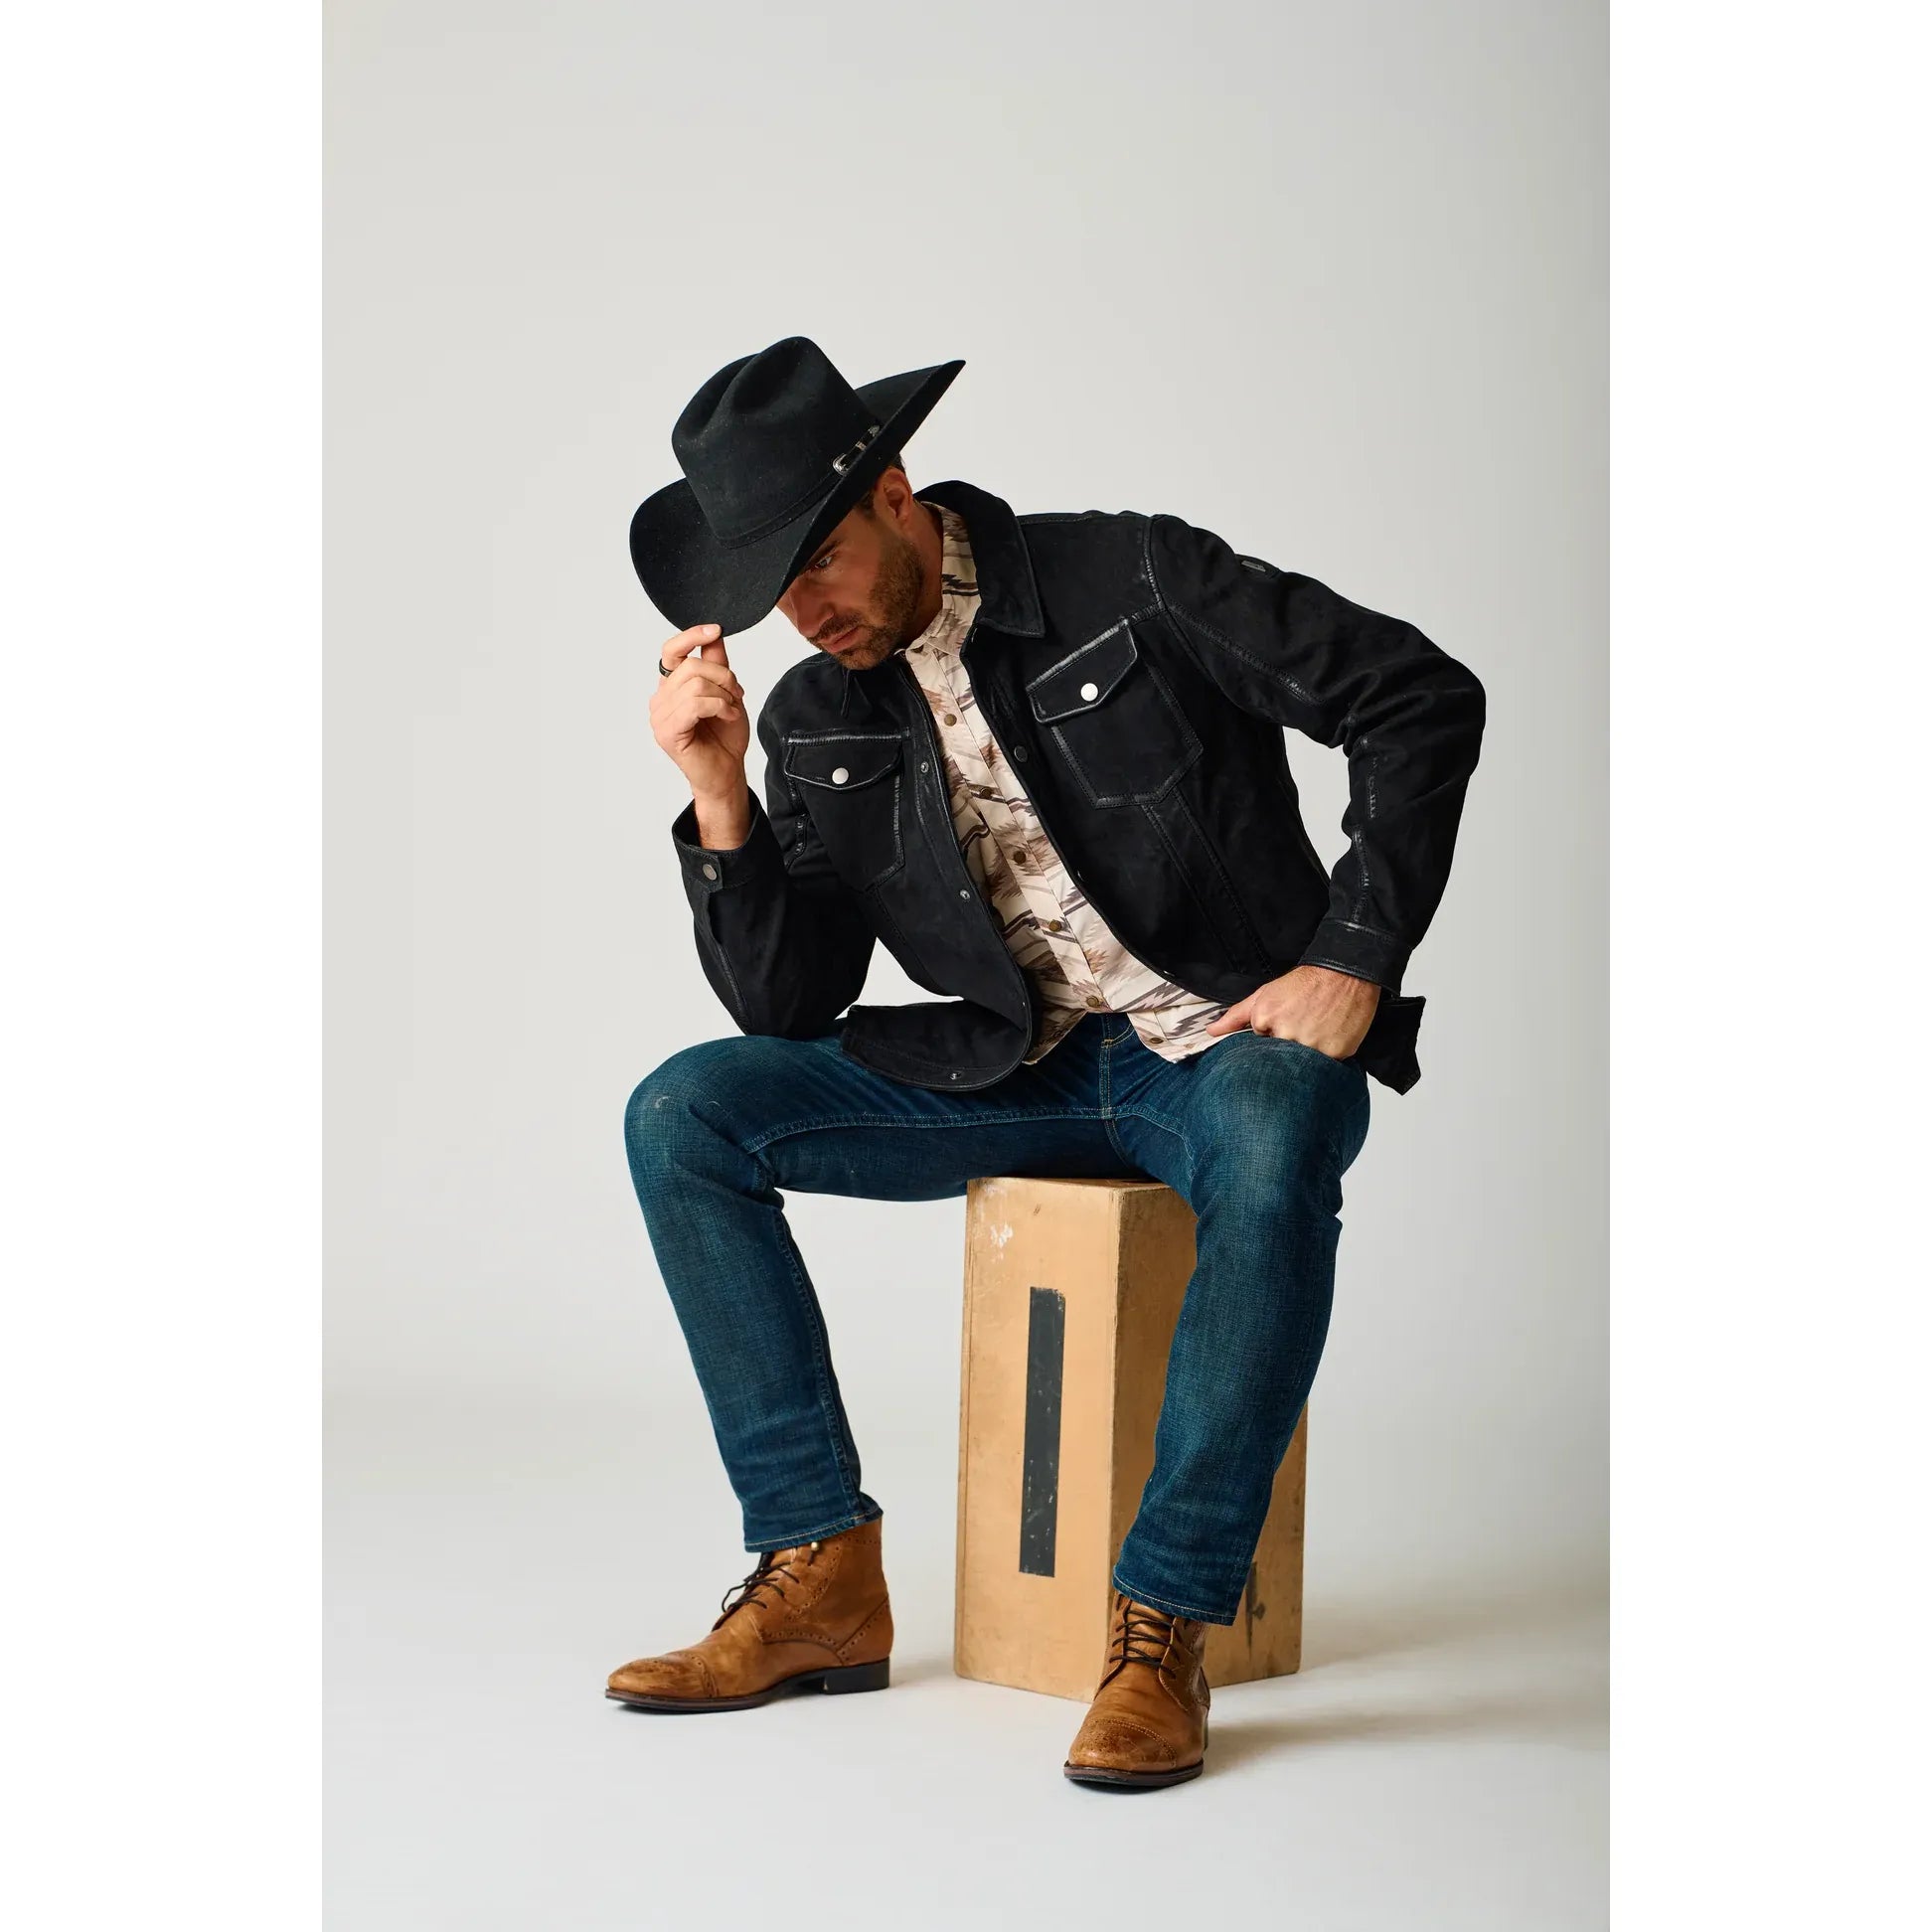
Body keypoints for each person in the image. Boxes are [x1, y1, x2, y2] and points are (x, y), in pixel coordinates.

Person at [607, 336, 1486, 1790]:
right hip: (1008, 1068)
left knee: (1275, 1134)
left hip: (1217, 1052)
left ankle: (1161, 1630)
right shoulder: (820, 710)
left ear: (895, 492)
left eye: (819, 563)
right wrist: (718, 800)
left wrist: (1354, 957)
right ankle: (815, 1569)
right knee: (687, 1113)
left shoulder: (1127, 579)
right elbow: (790, 1001)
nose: (804, 615)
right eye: (771, 597)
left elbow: (1415, 695)